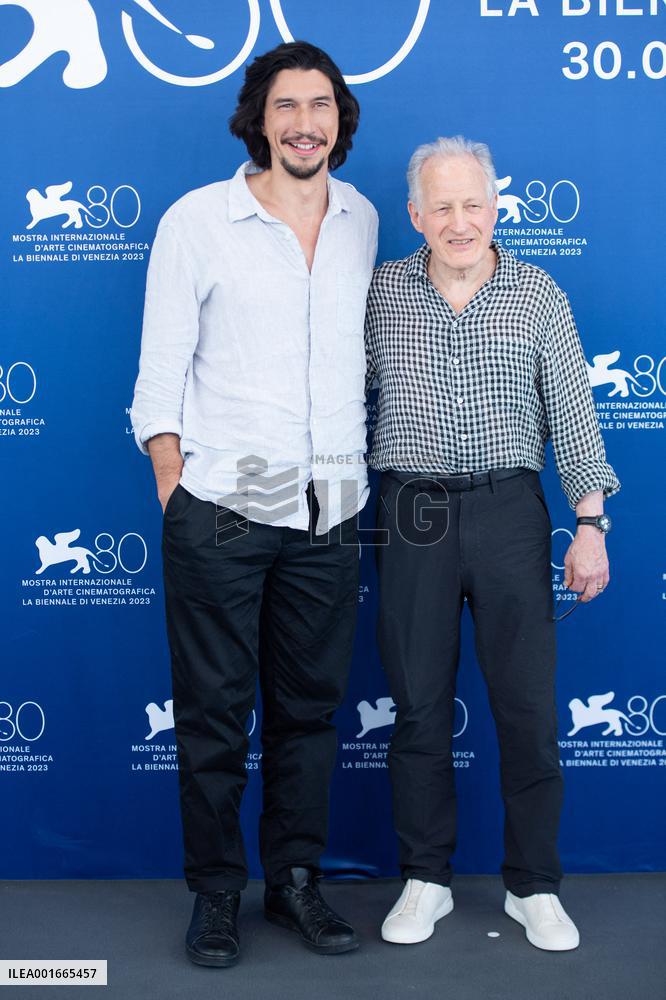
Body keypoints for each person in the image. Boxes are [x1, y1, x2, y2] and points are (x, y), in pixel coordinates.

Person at [131, 41, 378, 967]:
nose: (304, 122)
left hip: (332, 510)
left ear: (338, 121)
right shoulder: (199, 220)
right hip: (221, 510)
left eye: (320, 105)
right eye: (287, 106)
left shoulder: (360, 218)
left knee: (310, 714)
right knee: (211, 716)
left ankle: (297, 885)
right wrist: (174, 487)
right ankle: (215, 895)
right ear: (258, 119)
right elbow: (158, 374)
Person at [365, 136, 619, 951]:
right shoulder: (381, 294)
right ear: (416, 216)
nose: (459, 220)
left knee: (528, 709)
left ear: (496, 207)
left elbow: (574, 417)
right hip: (411, 512)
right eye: (441, 206)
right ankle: (426, 880)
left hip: (511, 509)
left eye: (472, 203)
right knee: (417, 708)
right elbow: (332, 403)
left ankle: (534, 886)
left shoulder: (539, 293)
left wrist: (589, 525)